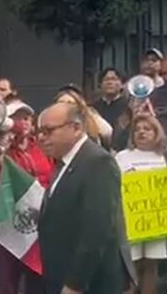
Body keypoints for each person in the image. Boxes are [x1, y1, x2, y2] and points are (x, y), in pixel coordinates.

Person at [38, 102, 130, 294]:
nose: (41, 138)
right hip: (60, 273)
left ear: (76, 128)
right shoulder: (63, 162)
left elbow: (97, 230)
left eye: (48, 131)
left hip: (91, 282)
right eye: (39, 131)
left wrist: (75, 284)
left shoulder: (98, 162)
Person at [0, 101, 52, 294]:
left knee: (37, 278)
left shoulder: (42, 147)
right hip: (9, 224)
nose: (24, 123)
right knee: (7, 280)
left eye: (27, 118)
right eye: (18, 118)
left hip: (38, 223)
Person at [115, 114, 167, 294]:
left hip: (157, 222)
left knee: (152, 265)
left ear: (156, 132)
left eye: (146, 129)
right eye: (137, 130)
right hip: (131, 221)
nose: (141, 132)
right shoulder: (122, 157)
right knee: (131, 267)